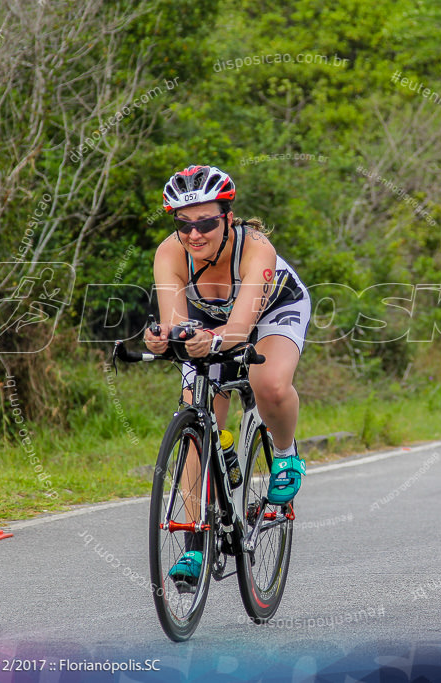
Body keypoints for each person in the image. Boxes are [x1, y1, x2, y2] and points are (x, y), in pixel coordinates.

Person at [143, 165, 310, 590]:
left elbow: (238, 330)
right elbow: (177, 323)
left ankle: (286, 455)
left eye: (206, 223)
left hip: (273, 311)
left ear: (227, 218)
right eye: (184, 224)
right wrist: (164, 338)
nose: (194, 234)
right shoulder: (169, 253)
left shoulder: (256, 249)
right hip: (210, 321)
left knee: (267, 383)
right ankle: (195, 541)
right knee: (195, 415)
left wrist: (208, 340)